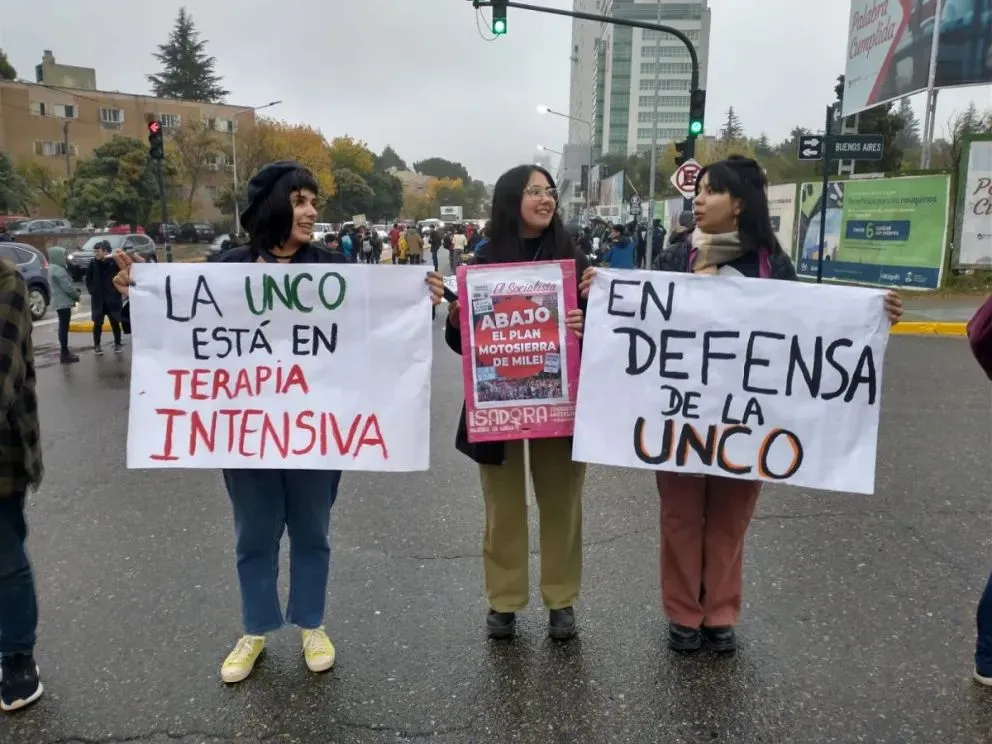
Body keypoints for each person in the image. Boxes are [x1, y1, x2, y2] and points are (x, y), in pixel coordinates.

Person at [121, 161, 443, 683]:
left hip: (319, 433)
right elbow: (180, 335)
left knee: (312, 532)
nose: (312, 211)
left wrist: (416, 302)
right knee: (254, 535)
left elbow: (377, 333)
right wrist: (136, 292)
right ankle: (255, 627)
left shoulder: (333, 266)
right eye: (299, 200)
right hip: (247, 435)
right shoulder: (226, 268)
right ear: (273, 206)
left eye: (313, 200)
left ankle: (311, 622)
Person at [581, 155, 904, 653]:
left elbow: (810, 327)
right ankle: (684, 613)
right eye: (699, 190)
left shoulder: (773, 264)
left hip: (747, 422)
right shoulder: (675, 258)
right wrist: (600, 297)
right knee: (681, 517)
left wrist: (875, 315)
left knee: (731, 519)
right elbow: (642, 320)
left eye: (711, 191)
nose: (699, 199)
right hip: (681, 418)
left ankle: (720, 613)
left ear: (738, 205)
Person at [444, 164, 589, 641]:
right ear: (511, 200)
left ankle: (561, 600)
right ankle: (503, 601)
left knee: (561, 504)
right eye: (534, 191)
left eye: (549, 192)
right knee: (502, 509)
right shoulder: (481, 263)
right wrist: (456, 319)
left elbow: (606, 336)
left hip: (561, 404)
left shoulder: (573, 258)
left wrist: (588, 320)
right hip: (497, 407)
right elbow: (463, 346)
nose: (545, 199)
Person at [0, 255, 44, 712]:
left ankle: (16, 657)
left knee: (5, 560)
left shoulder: (6, 280)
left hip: (3, 455)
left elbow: (2, 372)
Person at [85, 240, 124, 355]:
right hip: (98, 299)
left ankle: (117, 344)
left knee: (115, 322)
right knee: (97, 323)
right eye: (95, 251)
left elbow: (121, 276)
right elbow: (88, 279)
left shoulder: (114, 263)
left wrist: (117, 291)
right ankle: (97, 346)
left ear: (105, 252)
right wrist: (92, 291)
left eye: (98, 251)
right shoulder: (93, 264)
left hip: (112, 298)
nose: (96, 253)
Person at [47, 246, 81, 364]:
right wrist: (76, 296)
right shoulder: (58, 270)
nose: (65, 258)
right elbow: (67, 287)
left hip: (59, 301)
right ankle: (65, 353)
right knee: (64, 327)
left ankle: (65, 352)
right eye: (63, 255)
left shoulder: (52, 268)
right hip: (63, 303)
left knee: (63, 327)